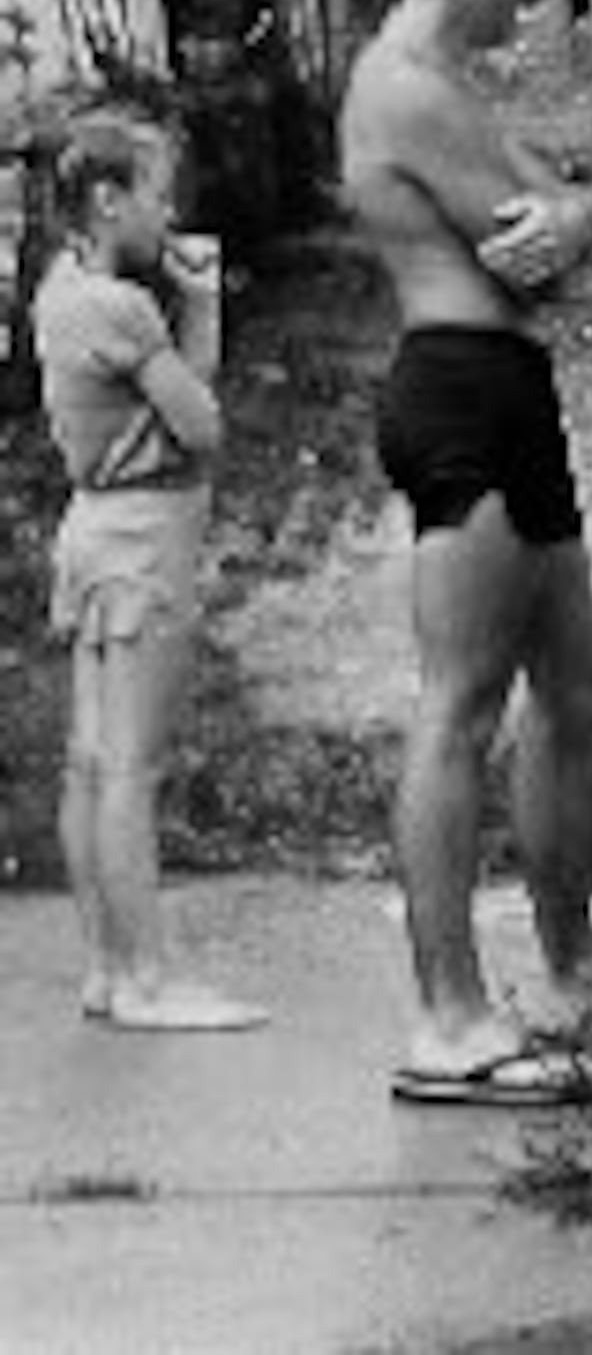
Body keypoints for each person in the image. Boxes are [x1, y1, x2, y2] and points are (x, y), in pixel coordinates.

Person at [339, 0, 592, 1104]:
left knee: (575, 686)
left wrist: (576, 210)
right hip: (460, 394)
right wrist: (572, 214)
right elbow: (540, 244)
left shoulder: (452, 76)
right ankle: (448, 1020)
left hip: (509, 390)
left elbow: (569, 216)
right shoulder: (410, 88)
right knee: (461, 705)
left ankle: (576, 967)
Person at [34, 110, 267, 1032]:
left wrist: (192, 299)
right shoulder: (124, 309)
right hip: (146, 539)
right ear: (107, 199)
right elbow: (203, 424)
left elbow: (180, 400)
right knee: (133, 766)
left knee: (91, 761)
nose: (168, 213)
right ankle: (147, 980)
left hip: (92, 531)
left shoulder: (60, 289)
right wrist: (198, 305)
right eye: (156, 194)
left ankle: (105, 964)